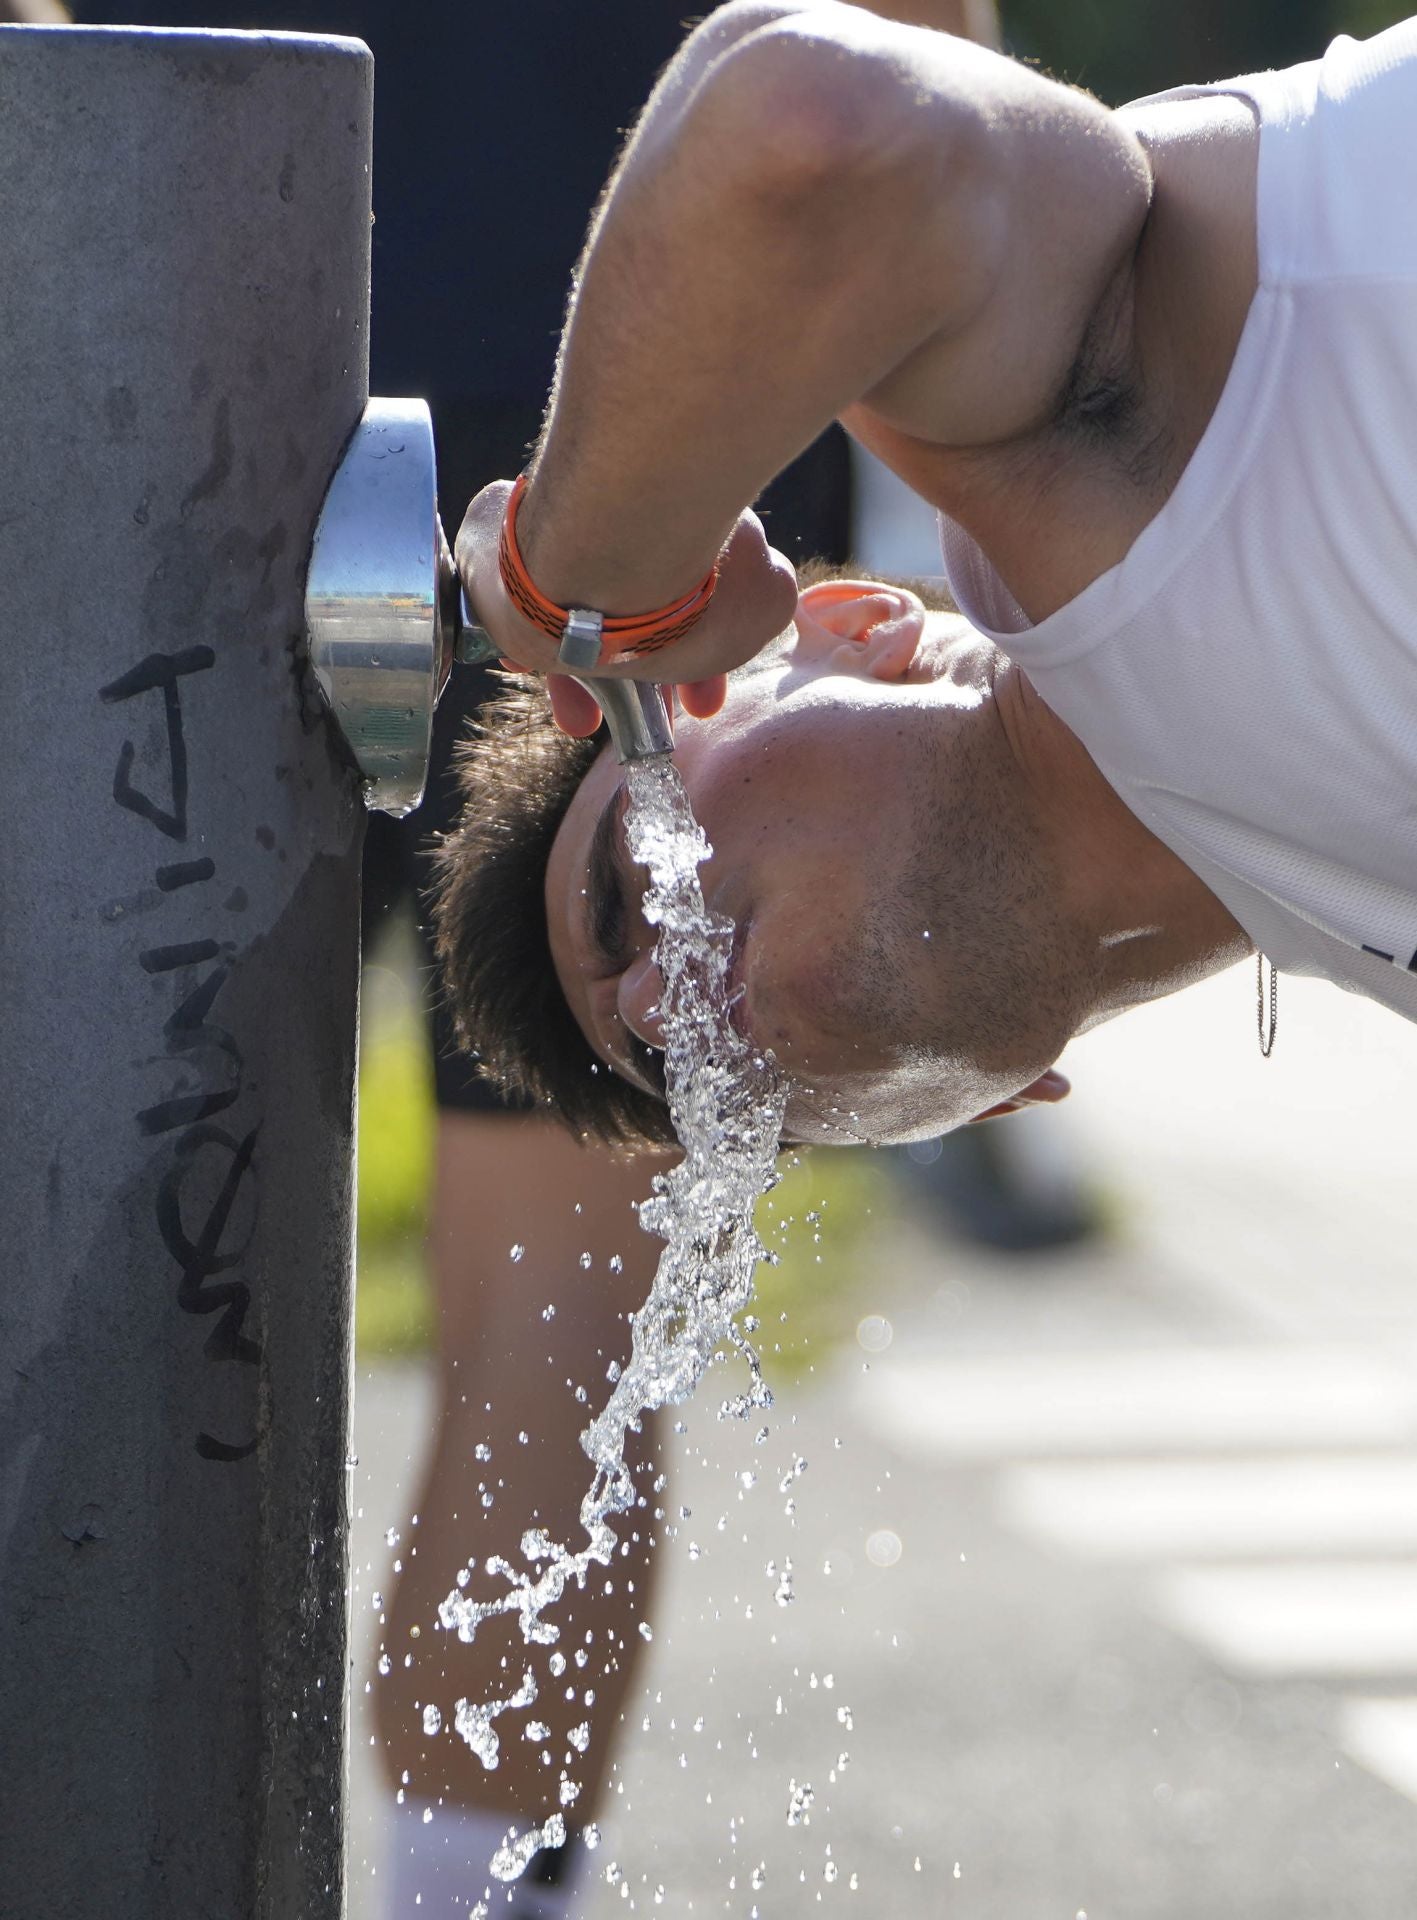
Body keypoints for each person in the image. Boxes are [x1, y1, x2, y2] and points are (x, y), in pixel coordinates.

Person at [442, 0, 1417, 1147]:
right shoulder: (1361, 909)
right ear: (980, 1107)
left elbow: (810, 123)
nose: (663, 1006)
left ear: (850, 625)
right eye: (662, 1070)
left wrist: (581, 588)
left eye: (626, 890)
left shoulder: (1061, 455)